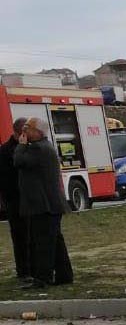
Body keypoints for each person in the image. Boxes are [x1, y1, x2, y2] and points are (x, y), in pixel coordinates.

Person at [14, 117, 72, 288]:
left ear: (38, 131)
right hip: (49, 203)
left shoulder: (38, 149)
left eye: (27, 129)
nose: (24, 133)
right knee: (55, 241)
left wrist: (21, 145)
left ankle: (43, 278)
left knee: (43, 243)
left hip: (44, 204)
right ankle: (64, 275)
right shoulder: (43, 147)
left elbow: (18, 161)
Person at [0, 117, 32, 281]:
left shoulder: (29, 147)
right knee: (20, 237)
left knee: (32, 236)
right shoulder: (6, 151)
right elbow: (7, 178)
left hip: (30, 200)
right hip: (16, 201)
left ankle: (34, 268)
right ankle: (24, 271)